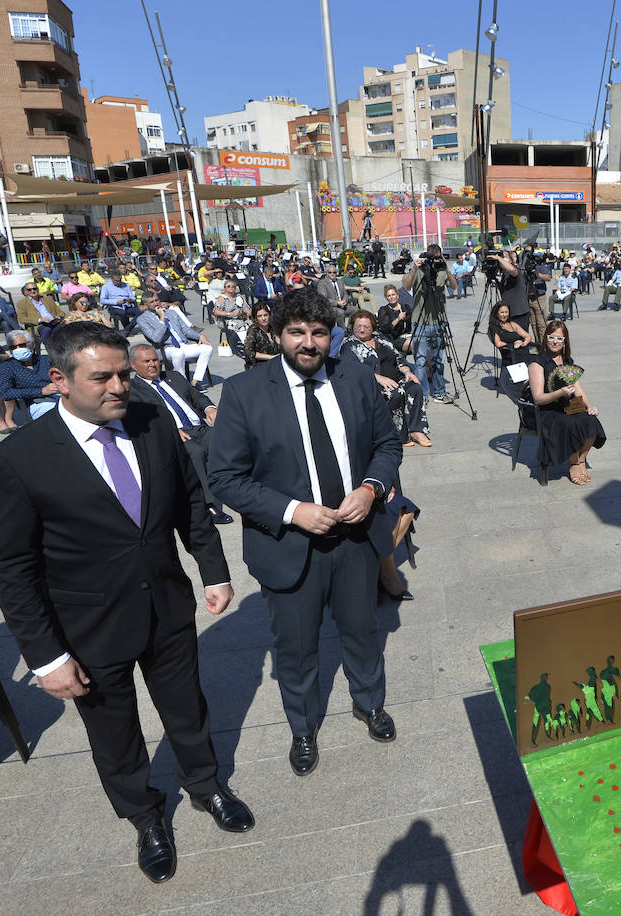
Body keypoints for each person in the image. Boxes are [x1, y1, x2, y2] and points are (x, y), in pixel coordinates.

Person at [0, 322, 253, 884]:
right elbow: (13, 568)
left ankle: (206, 787)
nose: (119, 387)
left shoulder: (152, 425)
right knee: (115, 731)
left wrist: (215, 572)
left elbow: (190, 506)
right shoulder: (18, 461)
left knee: (187, 708)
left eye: (124, 373)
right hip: (87, 626)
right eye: (101, 377)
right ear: (59, 380)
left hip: (167, 607)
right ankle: (146, 816)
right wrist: (46, 657)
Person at [207, 287, 404, 775]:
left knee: (363, 631)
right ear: (277, 335)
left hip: (356, 540)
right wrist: (293, 511)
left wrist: (371, 489)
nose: (309, 343)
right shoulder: (243, 392)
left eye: (319, 332)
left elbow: (387, 444)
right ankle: (302, 728)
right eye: (297, 332)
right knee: (295, 648)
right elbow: (225, 478)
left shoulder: (357, 379)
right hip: (289, 547)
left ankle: (369, 702)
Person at [126, 342, 233, 523]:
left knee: (230, 438)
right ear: (133, 365)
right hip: (174, 435)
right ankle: (208, 505)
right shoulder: (132, 390)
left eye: (155, 360)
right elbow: (139, 420)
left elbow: (197, 396)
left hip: (200, 428)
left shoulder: (173, 376)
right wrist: (169, 430)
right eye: (146, 361)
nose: (153, 364)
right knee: (195, 453)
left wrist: (209, 408)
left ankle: (241, 485)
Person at [527, 320, 605, 487]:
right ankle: (574, 463)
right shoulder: (537, 363)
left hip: (568, 405)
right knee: (572, 423)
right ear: (545, 338)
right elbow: (538, 398)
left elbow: (578, 388)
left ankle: (580, 460)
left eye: (560, 339)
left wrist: (589, 406)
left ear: (565, 341)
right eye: (551, 337)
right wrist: (560, 393)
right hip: (548, 410)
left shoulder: (567, 360)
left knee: (591, 421)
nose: (555, 341)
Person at [339, 310, 431, 448]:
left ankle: (417, 430)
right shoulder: (349, 345)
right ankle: (399, 435)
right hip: (371, 384)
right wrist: (378, 378)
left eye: (366, 327)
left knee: (415, 387)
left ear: (373, 328)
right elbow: (351, 370)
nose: (362, 330)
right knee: (396, 393)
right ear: (352, 326)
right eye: (358, 326)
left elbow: (397, 356)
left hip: (395, 377)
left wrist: (407, 371)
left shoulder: (380, 337)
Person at [402, 243, 457, 405]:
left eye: (437, 257)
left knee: (437, 360)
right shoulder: (419, 270)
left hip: (438, 322)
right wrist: (414, 268)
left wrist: (447, 269)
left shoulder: (441, 271)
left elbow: (453, 287)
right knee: (420, 361)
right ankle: (423, 394)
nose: (434, 261)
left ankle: (439, 392)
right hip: (420, 323)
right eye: (432, 257)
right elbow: (406, 286)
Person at [133, 292, 215, 391]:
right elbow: (156, 338)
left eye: (156, 300)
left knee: (207, 348)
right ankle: (183, 384)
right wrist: (162, 319)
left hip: (183, 344)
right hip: (165, 349)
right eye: (152, 302)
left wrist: (200, 336)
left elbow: (186, 330)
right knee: (178, 353)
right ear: (146, 305)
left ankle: (195, 382)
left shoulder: (171, 313)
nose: (156, 303)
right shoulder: (142, 319)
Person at [0, 328, 59, 420]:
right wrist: (41, 391)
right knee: (55, 415)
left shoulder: (47, 360)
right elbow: (6, 393)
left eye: (22, 345)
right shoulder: (6, 366)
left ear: (32, 345)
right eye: (13, 347)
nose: (18, 349)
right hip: (36, 403)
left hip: (60, 395)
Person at [211, 280, 250, 358]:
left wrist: (246, 313)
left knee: (251, 323)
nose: (231, 288)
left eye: (233, 286)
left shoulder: (239, 297)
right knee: (240, 325)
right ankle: (239, 346)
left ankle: (248, 344)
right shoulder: (222, 298)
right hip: (225, 320)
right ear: (225, 288)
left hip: (239, 318)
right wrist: (229, 314)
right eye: (228, 286)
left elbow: (246, 309)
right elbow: (216, 311)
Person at [243, 303, 282, 369]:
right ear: (255, 318)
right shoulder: (253, 330)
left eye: (265, 315)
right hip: (260, 365)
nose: (263, 318)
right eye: (260, 316)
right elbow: (248, 352)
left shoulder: (274, 327)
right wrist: (271, 357)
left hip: (276, 363)